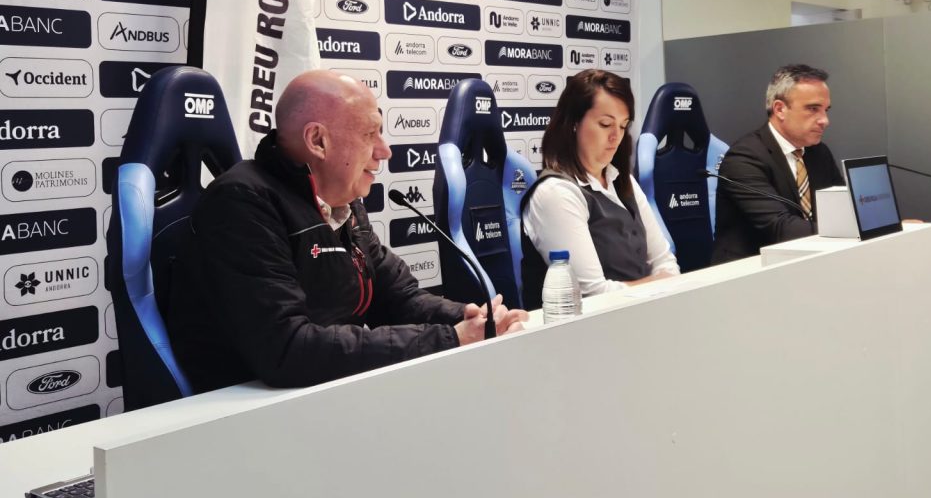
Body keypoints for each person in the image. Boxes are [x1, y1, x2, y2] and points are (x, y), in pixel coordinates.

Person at [168, 70, 526, 393]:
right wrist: (448, 339)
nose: (384, 151)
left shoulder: (345, 204)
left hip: (323, 395)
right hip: (243, 414)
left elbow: (400, 298)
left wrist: (471, 317)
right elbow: (288, 349)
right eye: (370, 134)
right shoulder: (243, 202)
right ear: (317, 140)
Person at [520, 69, 679, 309]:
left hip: (642, 315)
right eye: (605, 124)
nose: (616, 137)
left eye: (623, 126)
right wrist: (658, 284)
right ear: (574, 123)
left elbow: (665, 262)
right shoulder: (555, 193)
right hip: (585, 327)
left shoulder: (623, 181)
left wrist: (662, 283)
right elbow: (592, 295)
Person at [710, 64, 844, 263]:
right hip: (750, 270)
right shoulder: (743, 158)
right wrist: (848, 230)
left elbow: (841, 210)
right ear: (780, 109)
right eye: (813, 109)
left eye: (826, 110)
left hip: (805, 261)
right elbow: (781, 228)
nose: (824, 120)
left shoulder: (818, 152)